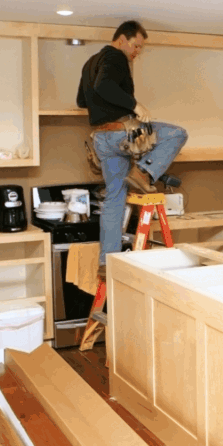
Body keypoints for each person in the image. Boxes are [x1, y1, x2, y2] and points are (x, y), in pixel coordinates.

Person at [77, 20, 188, 267]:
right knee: (177, 134)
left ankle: (107, 263)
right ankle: (143, 173)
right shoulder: (115, 57)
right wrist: (134, 105)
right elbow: (103, 85)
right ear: (122, 40)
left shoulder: (89, 64)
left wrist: (103, 105)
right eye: (136, 46)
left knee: (114, 199)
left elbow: (81, 101)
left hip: (101, 139)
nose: (137, 52)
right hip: (121, 134)